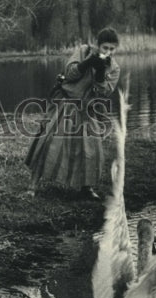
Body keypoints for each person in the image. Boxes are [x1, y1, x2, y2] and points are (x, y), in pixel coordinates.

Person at [24, 28, 122, 200]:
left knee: (91, 149)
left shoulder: (114, 68)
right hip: (66, 101)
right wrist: (88, 63)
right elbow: (69, 74)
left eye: (112, 49)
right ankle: (32, 186)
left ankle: (86, 187)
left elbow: (104, 92)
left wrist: (99, 74)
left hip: (87, 109)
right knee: (48, 142)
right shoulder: (83, 51)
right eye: (105, 48)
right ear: (97, 45)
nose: (107, 52)